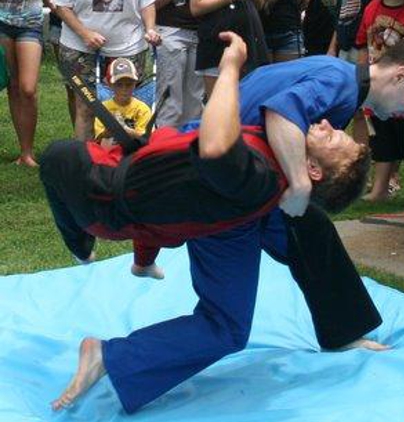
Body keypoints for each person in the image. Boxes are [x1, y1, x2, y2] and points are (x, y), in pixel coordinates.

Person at [45, 32, 379, 412]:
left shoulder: (263, 173)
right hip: (102, 192)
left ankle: (110, 341)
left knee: (238, 313)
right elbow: (219, 144)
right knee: (227, 323)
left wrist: (230, 67)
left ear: (315, 169)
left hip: (134, 194)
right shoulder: (264, 172)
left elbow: (217, 145)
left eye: (335, 137)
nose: (327, 124)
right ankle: (99, 309)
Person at [354, 0, 404, 201]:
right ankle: (379, 190)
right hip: (379, 90)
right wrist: (362, 76)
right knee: (382, 141)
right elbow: (363, 46)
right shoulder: (371, 8)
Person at [55, 0, 161, 141]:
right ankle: (85, 157)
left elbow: (147, 4)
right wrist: (84, 33)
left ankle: (129, 158)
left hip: (129, 45)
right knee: (86, 107)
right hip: (80, 46)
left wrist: (150, 29)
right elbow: (62, 6)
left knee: (129, 104)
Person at [0, 0, 55, 166]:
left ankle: (28, 153)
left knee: (28, 89)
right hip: (2, 22)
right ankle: (25, 153)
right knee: (14, 87)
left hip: (31, 24)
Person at [190, 0, 268, 97]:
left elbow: (259, 5)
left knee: (250, 102)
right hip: (217, 44)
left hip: (250, 40)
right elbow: (196, 8)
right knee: (219, 102)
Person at [154, 0, 205, 127]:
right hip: (169, 29)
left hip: (201, 32)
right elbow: (147, 5)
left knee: (195, 101)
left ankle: (189, 143)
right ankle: (164, 143)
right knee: (170, 98)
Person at [94, 58, 152, 143]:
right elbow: (98, 139)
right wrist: (108, 131)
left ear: (135, 84)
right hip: (110, 151)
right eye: (119, 85)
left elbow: (145, 139)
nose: (124, 89)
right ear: (110, 85)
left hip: (135, 150)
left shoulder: (142, 109)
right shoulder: (104, 109)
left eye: (129, 85)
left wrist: (126, 131)